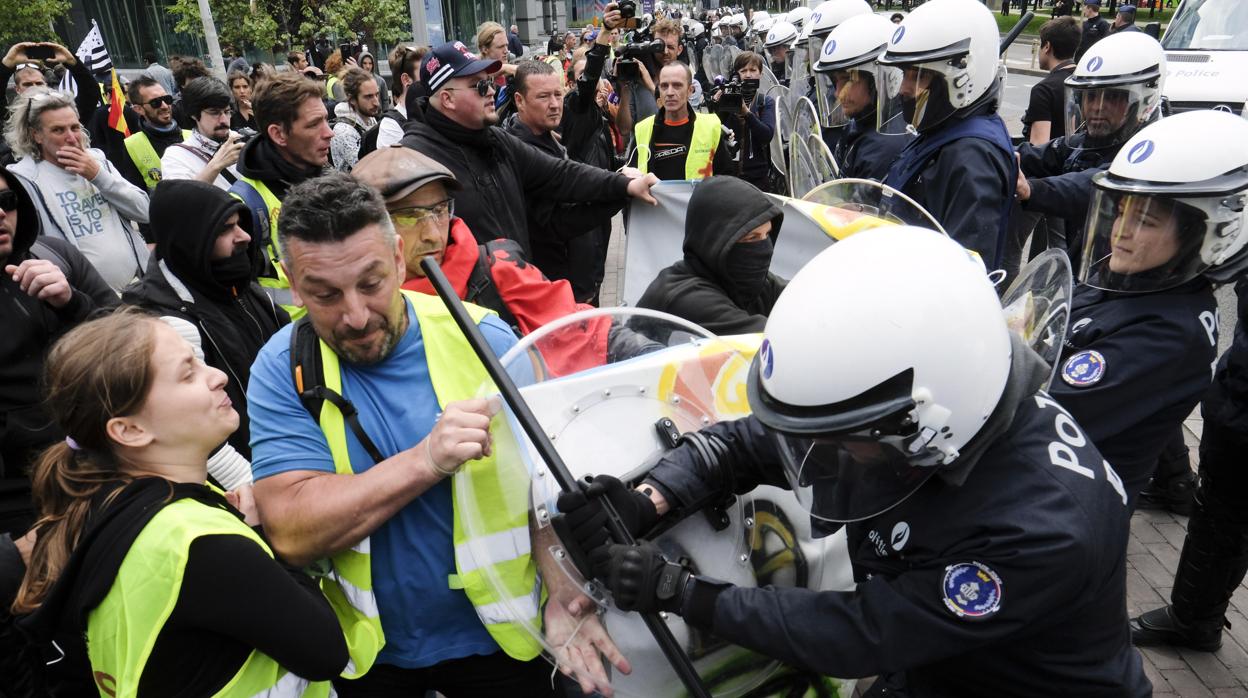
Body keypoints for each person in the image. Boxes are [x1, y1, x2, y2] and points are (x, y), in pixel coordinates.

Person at [559, 225, 1151, 696]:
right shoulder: (941, 415)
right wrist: (651, 498)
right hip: (945, 661)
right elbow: (764, 442)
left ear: (926, 423)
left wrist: (682, 592)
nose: (832, 454)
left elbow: (862, 631)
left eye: (847, 438)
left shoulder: (1044, 531)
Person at [246, 172, 623, 695]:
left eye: (372, 283)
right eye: (324, 294)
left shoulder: (484, 336)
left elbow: (545, 486)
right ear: (289, 276)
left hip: (505, 643)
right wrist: (427, 460)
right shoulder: (282, 366)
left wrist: (562, 585)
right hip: (371, 658)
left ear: (400, 258)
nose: (355, 316)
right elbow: (290, 532)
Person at [9, 309, 348, 696]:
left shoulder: (106, 506)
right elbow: (327, 653)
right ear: (130, 430)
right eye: (188, 373)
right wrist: (269, 541)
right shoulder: (200, 545)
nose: (217, 376)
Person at [1048, 111, 1241, 510]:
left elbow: (1050, 410)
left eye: (1146, 221)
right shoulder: (1126, 279)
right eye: (1120, 212)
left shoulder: (1171, 332)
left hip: (1058, 508)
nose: (1120, 232)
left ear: (1202, 234)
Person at [1119, 112, 1248, 653]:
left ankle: (1195, 618)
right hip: (1238, 399)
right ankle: (1195, 618)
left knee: (1224, 517)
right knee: (1218, 515)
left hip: (1242, 403)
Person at [353, 146, 613, 375]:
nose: (433, 234)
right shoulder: (345, 313)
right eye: (409, 216)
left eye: (440, 210)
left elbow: (583, 327)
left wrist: (633, 347)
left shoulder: (498, 267)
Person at [398, 40, 658, 254]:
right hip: (465, 313)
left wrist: (623, 185)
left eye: (489, 82)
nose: (490, 91)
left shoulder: (495, 141)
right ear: (447, 98)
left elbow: (561, 174)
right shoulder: (413, 161)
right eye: (479, 85)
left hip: (518, 300)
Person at [122, 178, 288, 470]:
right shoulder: (164, 323)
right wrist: (250, 487)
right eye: (225, 228)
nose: (244, 237)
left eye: (240, 224)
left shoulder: (236, 283)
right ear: (191, 240)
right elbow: (192, 431)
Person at [0, 166, 116, 538]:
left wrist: (71, 303)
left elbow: (132, 339)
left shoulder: (53, 255)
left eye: (6, 201)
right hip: (20, 503)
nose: (1, 214)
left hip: (102, 465)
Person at [879, 0, 1016, 271]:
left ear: (963, 76)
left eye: (918, 76)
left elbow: (963, 272)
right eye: (905, 74)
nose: (904, 89)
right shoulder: (944, 129)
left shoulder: (971, 158)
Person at [1016, 31, 1166, 268]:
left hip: (1125, 280)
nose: (1097, 107)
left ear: (1143, 100)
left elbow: (1096, 186)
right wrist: (995, 152)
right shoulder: (1091, 140)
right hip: (1085, 268)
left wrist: (1031, 190)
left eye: (1113, 97)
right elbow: (1041, 154)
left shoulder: (1148, 151)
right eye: (1091, 96)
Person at [5, 88, 149, 294]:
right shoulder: (23, 179)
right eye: (58, 130)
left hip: (138, 286)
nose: (72, 138)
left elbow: (144, 211)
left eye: (74, 127)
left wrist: (98, 176)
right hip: (87, 300)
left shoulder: (98, 161)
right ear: (35, 134)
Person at [505, 60, 623, 303]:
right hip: (555, 291)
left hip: (581, 283)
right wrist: (622, 191)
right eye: (543, 97)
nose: (554, 104)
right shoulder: (519, 152)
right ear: (519, 100)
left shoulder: (552, 139)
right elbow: (560, 222)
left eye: (558, 94)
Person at [229, 72, 333, 313]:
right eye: (314, 124)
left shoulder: (331, 179)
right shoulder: (244, 205)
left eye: (326, 120)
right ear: (278, 134)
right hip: (291, 341)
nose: (329, 132)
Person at [637, 176, 785, 333]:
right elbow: (774, 341)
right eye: (752, 238)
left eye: (767, 234)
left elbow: (802, 295)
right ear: (716, 240)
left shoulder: (744, 280)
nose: (763, 247)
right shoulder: (686, 297)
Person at [561, 7, 630, 302]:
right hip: (580, 216)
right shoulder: (574, 112)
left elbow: (612, 153)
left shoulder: (600, 118)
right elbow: (587, 84)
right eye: (583, 79)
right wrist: (603, 37)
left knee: (598, 284)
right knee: (585, 294)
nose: (593, 85)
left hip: (599, 217)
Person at [812, 14, 911, 182]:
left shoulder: (884, 147)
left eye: (848, 80)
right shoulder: (861, 122)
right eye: (835, 81)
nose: (838, 94)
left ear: (881, 78)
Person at [629, 62, 736, 180]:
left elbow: (726, 179)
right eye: (664, 86)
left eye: (677, 85)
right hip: (653, 199)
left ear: (690, 90)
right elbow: (632, 177)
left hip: (699, 198)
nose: (669, 92)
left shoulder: (710, 127)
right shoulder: (643, 129)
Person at [161, 77, 245, 190]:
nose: (224, 120)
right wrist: (216, 165)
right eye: (214, 113)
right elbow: (181, 201)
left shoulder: (241, 140)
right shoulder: (176, 156)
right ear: (194, 114)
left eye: (227, 112)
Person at [0, 42, 99, 132]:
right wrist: (6, 64)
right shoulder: (12, 121)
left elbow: (90, 93)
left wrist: (71, 61)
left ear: (46, 85)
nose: (35, 88)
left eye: (39, 83)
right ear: (17, 89)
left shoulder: (65, 115)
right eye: (27, 84)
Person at [118, 76, 190, 192]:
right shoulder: (132, 146)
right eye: (155, 103)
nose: (165, 106)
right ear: (138, 109)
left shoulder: (191, 135)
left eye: (167, 99)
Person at [1023, 17, 1080, 146]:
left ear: (1047, 46)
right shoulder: (1084, 81)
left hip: (1055, 164)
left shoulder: (1044, 90)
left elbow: (1038, 148)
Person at [330, 67, 380, 172]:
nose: (376, 103)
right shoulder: (344, 132)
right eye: (368, 96)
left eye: (377, 95)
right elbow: (368, 170)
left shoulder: (369, 118)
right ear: (352, 99)